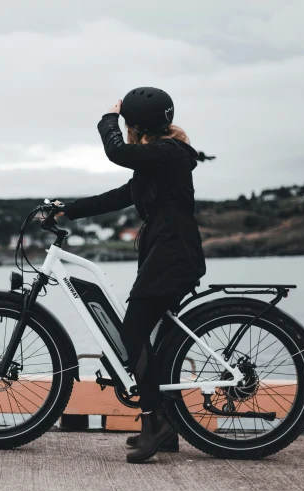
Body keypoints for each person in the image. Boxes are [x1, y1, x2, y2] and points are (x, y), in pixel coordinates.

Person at [54, 87, 206, 463]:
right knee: (161, 340)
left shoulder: (167, 154)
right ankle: (166, 424)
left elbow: (116, 152)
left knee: (133, 332)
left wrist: (107, 119)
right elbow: (117, 196)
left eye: (125, 124)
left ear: (134, 126)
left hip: (172, 253)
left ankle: (153, 422)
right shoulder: (160, 160)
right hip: (168, 251)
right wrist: (64, 209)